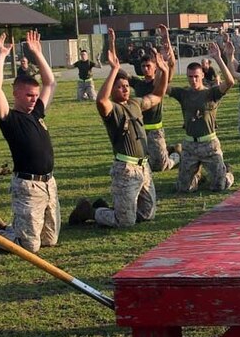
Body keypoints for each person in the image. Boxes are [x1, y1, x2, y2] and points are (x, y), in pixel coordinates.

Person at [72, 29, 169, 228]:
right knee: (125, 222)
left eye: (126, 85)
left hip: (144, 167)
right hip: (125, 168)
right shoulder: (112, 110)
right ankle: (91, 211)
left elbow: (157, 95)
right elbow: (100, 100)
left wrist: (165, 72)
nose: (125, 88)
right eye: (120, 86)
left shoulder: (135, 104)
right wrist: (114, 70)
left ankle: (107, 208)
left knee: (147, 214)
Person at [0, 31, 60, 252]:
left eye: (35, 95)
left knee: (49, 241)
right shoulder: (10, 118)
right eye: (28, 95)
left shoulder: (37, 113)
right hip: (28, 186)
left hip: (48, 184)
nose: (34, 99)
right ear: (16, 93)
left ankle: (8, 228)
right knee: (30, 246)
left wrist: (37, 54)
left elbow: (50, 83)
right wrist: (0, 55)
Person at [167, 43, 236, 192]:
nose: (193, 80)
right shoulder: (183, 94)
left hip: (209, 145)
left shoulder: (211, 93)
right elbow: (163, 87)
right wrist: (165, 66)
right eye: (190, 77)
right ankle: (196, 176)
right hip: (190, 146)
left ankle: (227, 173)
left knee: (220, 186)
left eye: (196, 76)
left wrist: (218, 58)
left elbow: (230, 82)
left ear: (203, 75)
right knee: (184, 189)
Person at [128, 27, 179, 171]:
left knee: (161, 166)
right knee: (140, 163)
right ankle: (162, 152)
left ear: (155, 67)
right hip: (139, 129)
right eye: (143, 66)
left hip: (155, 131)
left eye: (148, 66)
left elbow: (171, 64)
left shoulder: (158, 82)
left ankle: (176, 154)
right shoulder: (138, 82)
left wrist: (165, 39)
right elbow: (121, 74)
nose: (145, 69)